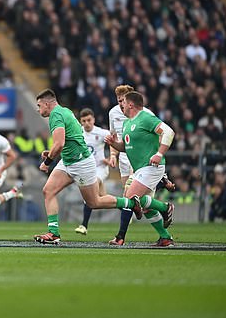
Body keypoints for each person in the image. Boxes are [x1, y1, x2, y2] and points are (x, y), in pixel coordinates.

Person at [32, 89, 153, 245]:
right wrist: (52, 152)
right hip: (68, 160)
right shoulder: (65, 111)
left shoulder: (56, 115)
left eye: (39, 105)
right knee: (48, 191)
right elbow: (70, 139)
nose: (38, 108)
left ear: (47, 104)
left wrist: (47, 162)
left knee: (94, 202)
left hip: (81, 163)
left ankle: (130, 203)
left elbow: (60, 143)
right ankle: (53, 233)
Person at [105, 91, 176, 247]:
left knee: (129, 198)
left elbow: (168, 132)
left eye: (122, 101)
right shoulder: (127, 123)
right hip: (140, 169)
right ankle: (165, 235)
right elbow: (125, 147)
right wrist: (113, 144)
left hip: (152, 167)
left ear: (130, 104)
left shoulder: (146, 117)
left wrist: (159, 153)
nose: (120, 104)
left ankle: (120, 238)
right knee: (141, 204)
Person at [74, 108, 111, 236]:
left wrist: (112, 157)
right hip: (87, 170)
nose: (86, 123)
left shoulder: (101, 133)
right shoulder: (78, 133)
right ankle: (126, 206)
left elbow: (114, 142)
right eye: (83, 121)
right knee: (101, 200)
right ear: (80, 122)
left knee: (90, 192)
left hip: (100, 168)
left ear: (93, 119)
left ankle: (84, 225)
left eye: (89, 120)